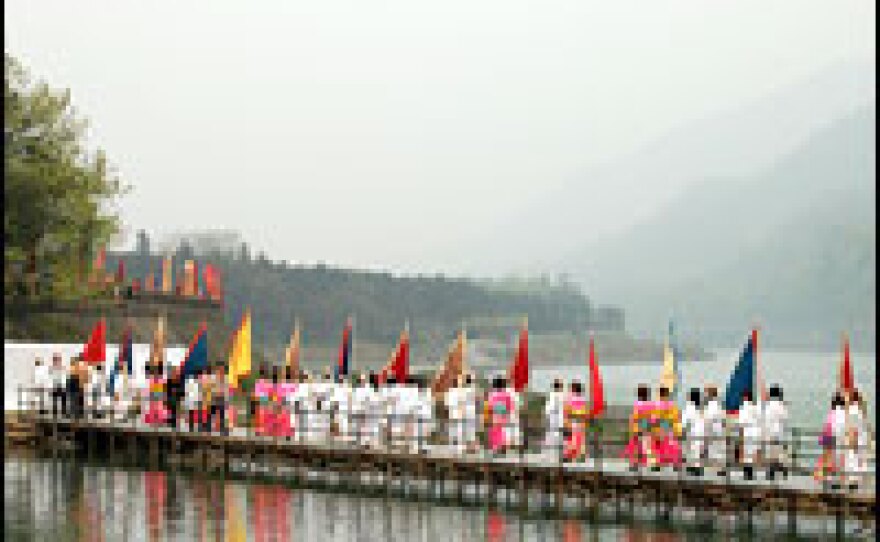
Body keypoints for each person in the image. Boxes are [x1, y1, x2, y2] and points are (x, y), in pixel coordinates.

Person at [814, 393, 847, 487]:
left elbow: (827, 428)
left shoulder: (832, 413)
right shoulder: (845, 414)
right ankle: (838, 480)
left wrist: (823, 440)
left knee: (828, 460)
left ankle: (827, 479)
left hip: (830, 439)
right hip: (841, 440)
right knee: (839, 461)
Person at [761, 385, 788, 480]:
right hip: (779, 432)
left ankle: (771, 472)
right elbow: (785, 418)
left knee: (770, 454)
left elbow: (763, 418)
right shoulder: (781, 406)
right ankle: (782, 471)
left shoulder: (767, 406)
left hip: (769, 432)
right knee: (778, 453)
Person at [623, 384, 652, 470]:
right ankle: (644, 464)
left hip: (638, 429)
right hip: (645, 429)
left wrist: (632, 429)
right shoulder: (650, 405)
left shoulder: (638, 405)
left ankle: (635, 464)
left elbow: (634, 418)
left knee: (636, 447)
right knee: (645, 448)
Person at [737, 390, 762, 480]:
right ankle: (751, 473)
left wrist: (740, 437)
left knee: (746, 453)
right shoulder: (756, 408)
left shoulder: (744, 408)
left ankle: (747, 474)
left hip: (747, 432)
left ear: (745, 397)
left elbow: (741, 424)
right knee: (752, 453)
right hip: (756, 432)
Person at [485, 376, 513, 455]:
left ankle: (495, 447)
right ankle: (502, 446)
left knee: (494, 431)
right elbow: (509, 406)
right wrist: (507, 414)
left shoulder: (492, 395)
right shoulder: (506, 395)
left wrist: (489, 415)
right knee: (501, 431)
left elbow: (490, 406)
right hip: (503, 415)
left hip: (495, 415)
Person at [562, 381, 589, 462]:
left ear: (574, 389)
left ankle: (569, 456)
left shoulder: (570, 399)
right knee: (579, 440)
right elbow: (585, 413)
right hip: (580, 422)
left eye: (571, 388)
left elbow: (566, 411)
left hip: (573, 422)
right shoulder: (583, 400)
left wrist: (566, 421)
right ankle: (579, 456)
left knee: (571, 440)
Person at [702, 385, 726, 475]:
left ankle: (716, 470)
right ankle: (720, 469)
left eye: (706, 393)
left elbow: (707, 421)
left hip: (712, 431)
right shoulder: (719, 406)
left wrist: (705, 434)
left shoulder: (710, 407)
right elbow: (723, 420)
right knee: (719, 451)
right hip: (719, 430)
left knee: (713, 452)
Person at [681, 388, 705, 475]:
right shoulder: (701, 409)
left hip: (692, 433)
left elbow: (684, 423)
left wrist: (682, 432)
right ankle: (698, 468)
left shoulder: (689, 408)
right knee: (698, 451)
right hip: (700, 432)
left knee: (691, 451)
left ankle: (693, 469)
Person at [543, 379, 565, 457]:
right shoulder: (560, 396)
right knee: (557, 437)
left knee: (552, 436)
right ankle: (555, 454)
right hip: (557, 420)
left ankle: (550, 454)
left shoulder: (551, 396)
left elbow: (547, 409)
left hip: (553, 419)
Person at [445, 375, 466, 454]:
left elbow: (447, 405)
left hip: (453, 414)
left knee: (454, 432)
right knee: (458, 432)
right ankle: (458, 448)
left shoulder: (450, 392)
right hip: (458, 415)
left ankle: (453, 448)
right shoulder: (460, 392)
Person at [462, 374, 480, 454]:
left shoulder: (463, 390)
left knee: (467, 431)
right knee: (472, 431)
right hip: (472, 411)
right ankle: (474, 447)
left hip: (466, 412)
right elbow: (477, 400)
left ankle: (469, 447)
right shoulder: (474, 389)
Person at [49, 353, 68, 418]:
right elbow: (50, 378)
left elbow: (65, 377)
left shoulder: (63, 368)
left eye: (59, 359)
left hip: (61, 387)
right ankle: (55, 415)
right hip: (55, 387)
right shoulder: (51, 369)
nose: (57, 361)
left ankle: (63, 415)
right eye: (56, 359)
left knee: (63, 402)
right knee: (55, 403)